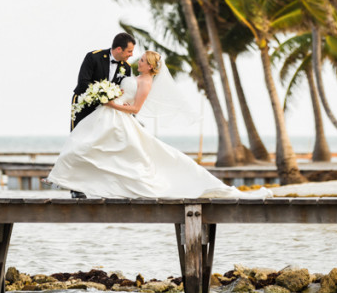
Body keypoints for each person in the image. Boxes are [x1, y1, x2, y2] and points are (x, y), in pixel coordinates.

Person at [49, 50, 273, 199]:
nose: (139, 61)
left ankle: (84, 182)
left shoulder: (146, 82)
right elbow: (123, 92)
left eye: (143, 61)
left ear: (150, 67)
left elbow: (135, 109)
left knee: (123, 154)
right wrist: (109, 96)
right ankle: (69, 180)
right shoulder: (134, 76)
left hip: (118, 117)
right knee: (84, 144)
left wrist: (111, 104)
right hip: (107, 116)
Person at [71, 32, 134, 131]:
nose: (131, 55)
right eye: (129, 51)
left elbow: (122, 90)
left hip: (106, 110)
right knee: (78, 137)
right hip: (84, 104)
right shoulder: (93, 57)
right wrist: (103, 95)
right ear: (119, 49)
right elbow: (83, 82)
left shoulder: (126, 67)